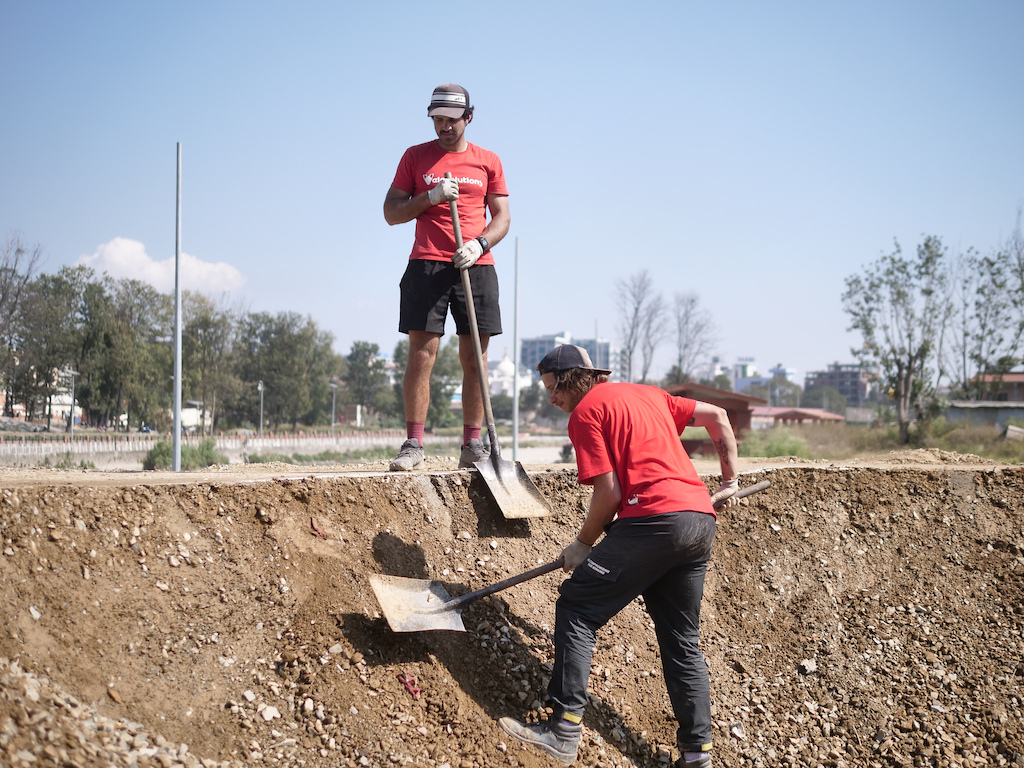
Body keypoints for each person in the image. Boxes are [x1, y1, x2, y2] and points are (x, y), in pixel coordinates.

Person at [498, 345, 741, 768]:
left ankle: (563, 731)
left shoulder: (586, 413)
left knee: (577, 606)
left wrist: (583, 543)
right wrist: (730, 479)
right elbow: (718, 417)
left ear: (574, 379)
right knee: (682, 641)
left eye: (553, 388)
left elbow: (608, 493)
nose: (551, 399)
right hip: (699, 520)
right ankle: (697, 755)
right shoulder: (650, 394)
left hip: (653, 520)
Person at [383, 83, 510, 472]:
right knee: (422, 355)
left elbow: (503, 218)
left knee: (475, 358)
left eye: (451, 120)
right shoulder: (415, 157)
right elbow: (391, 212)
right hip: (427, 265)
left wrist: (480, 244)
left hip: (475, 265)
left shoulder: (488, 161)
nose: (443, 127)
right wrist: (431, 197)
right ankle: (413, 444)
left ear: (468, 118)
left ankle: (473, 445)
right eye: (437, 120)